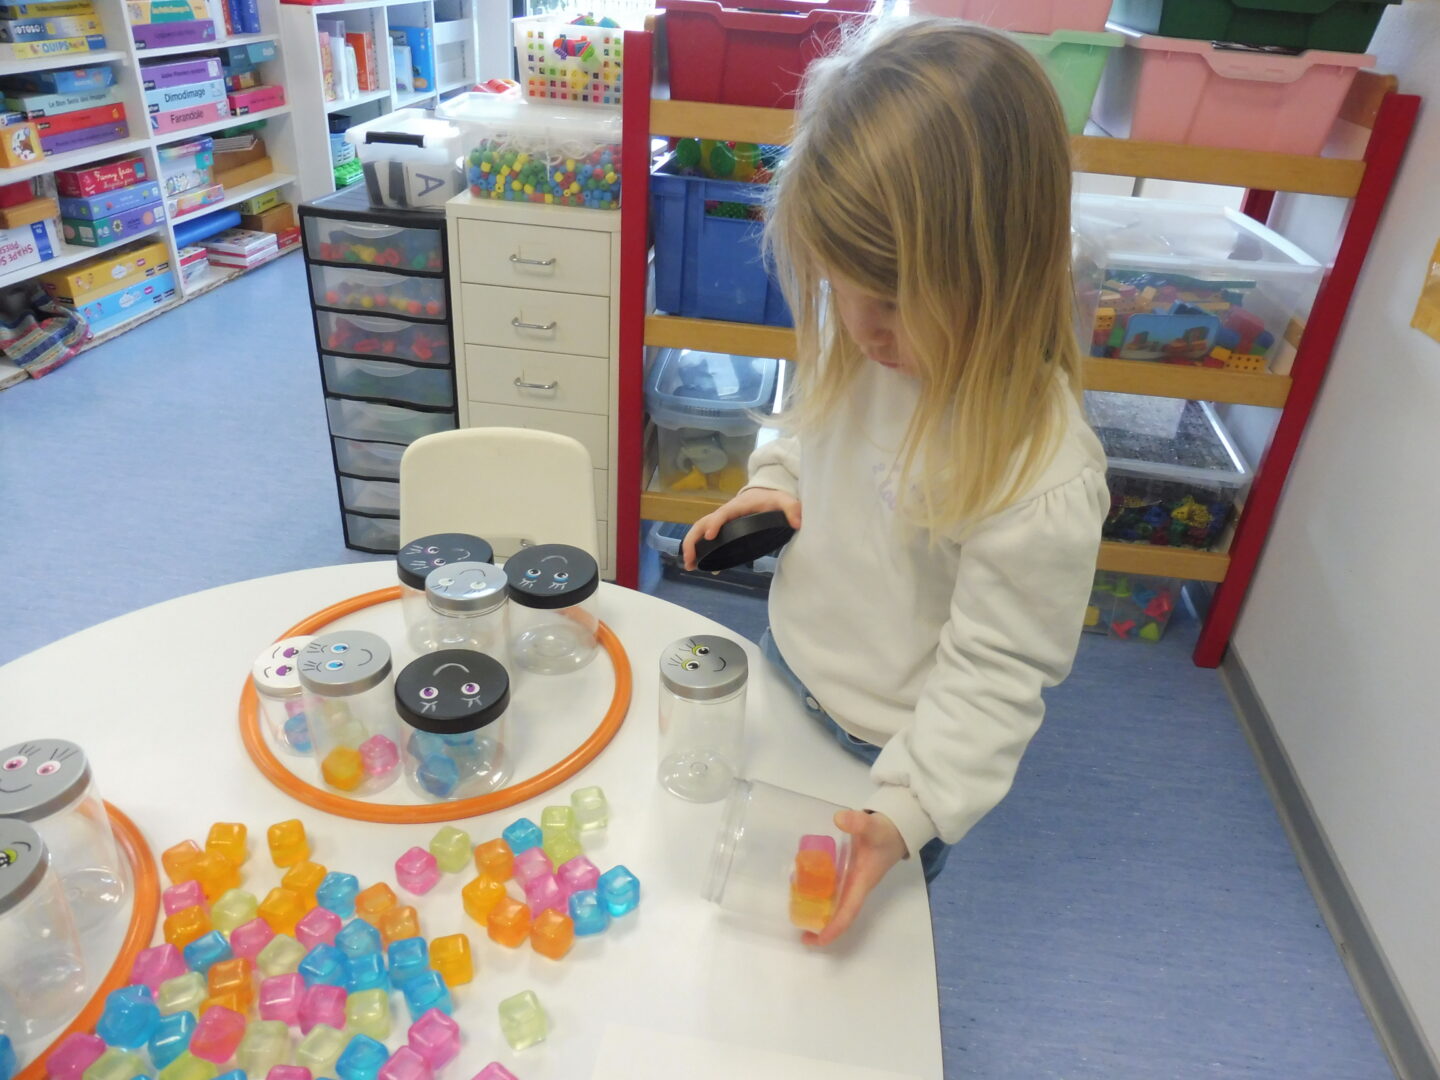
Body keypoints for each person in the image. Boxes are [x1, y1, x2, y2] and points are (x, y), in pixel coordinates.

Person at [682, 18, 1109, 946]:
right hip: (787, 674)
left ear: (1002, 276)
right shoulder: (867, 346)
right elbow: (810, 424)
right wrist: (771, 484)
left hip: (897, 765)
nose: (866, 330)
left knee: (854, 958)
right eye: (846, 291)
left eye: (896, 302)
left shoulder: (1039, 473)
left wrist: (908, 812)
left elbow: (996, 676)